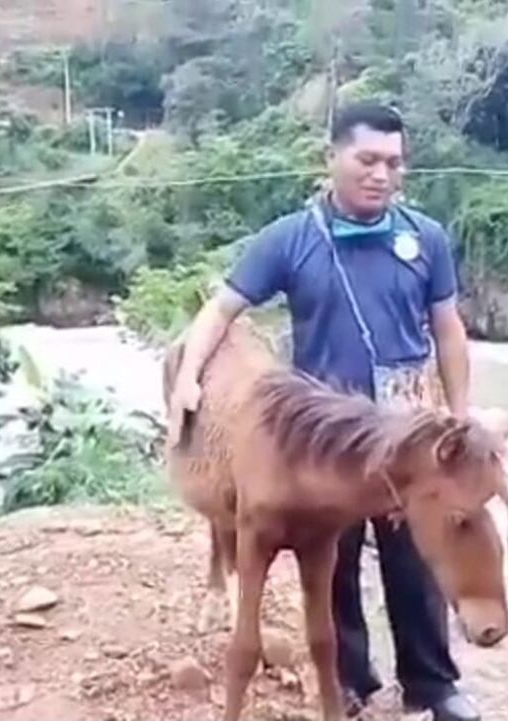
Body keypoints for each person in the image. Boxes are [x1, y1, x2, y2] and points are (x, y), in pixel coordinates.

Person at [167, 102, 481, 721]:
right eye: (367, 160)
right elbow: (221, 309)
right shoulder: (292, 238)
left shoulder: (426, 239)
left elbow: (448, 331)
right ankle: (350, 681)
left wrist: (460, 416)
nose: (381, 174)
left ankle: (433, 686)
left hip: (407, 430)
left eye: (393, 163)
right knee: (330, 560)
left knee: (414, 556)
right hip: (324, 440)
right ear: (331, 158)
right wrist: (185, 380)